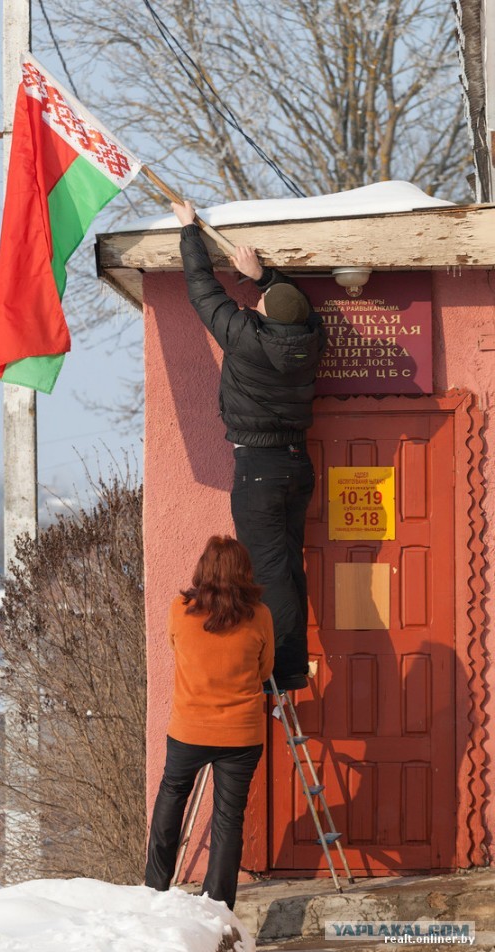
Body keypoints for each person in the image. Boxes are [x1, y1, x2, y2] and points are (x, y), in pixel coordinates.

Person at [171, 200, 327, 690]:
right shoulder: (310, 339)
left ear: (262, 315)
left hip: (259, 468)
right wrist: (263, 276)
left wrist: (190, 232)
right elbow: (292, 301)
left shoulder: (246, 337)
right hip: (297, 464)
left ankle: (282, 671)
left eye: (260, 302)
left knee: (273, 571)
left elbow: (203, 293)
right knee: (289, 568)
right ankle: (294, 664)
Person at [145, 535, 274, 910]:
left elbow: (175, 648)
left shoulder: (180, 608)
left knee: (171, 798)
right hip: (242, 732)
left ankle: (155, 888)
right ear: (244, 571)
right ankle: (217, 904)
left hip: (189, 728)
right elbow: (265, 670)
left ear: (203, 568)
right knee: (228, 818)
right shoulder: (260, 614)